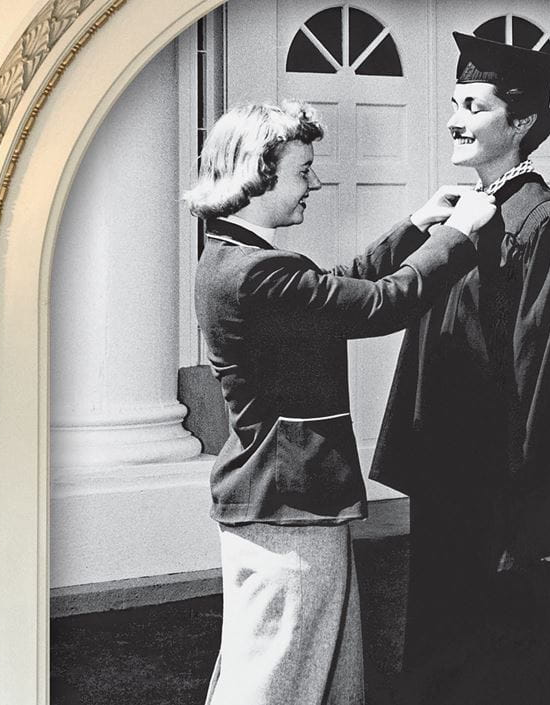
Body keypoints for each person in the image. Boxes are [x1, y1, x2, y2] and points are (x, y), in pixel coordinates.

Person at [184, 100, 496, 705]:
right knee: (279, 679)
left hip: (283, 500)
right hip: (290, 504)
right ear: (258, 173)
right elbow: (381, 304)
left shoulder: (238, 260)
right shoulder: (257, 274)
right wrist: (458, 237)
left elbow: (338, 287)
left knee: (298, 670)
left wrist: (417, 224)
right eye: (304, 171)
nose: (316, 183)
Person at [371, 33, 550, 705]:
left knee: (505, 661)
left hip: (500, 494)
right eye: (455, 102)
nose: (455, 118)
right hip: (452, 484)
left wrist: (532, 518)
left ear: (523, 123)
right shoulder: (463, 215)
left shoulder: (544, 225)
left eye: (474, 106)